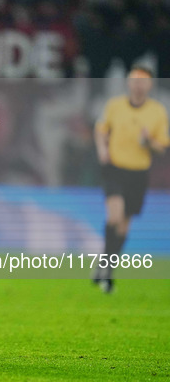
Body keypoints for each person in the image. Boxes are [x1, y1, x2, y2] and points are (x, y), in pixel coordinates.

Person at [94, 66, 169, 293]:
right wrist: (102, 149)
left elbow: (162, 148)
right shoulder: (115, 106)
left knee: (124, 226)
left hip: (138, 173)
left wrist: (148, 142)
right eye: (134, 80)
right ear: (128, 83)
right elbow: (101, 130)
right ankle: (105, 269)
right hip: (115, 169)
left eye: (143, 81)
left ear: (150, 85)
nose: (138, 85)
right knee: (114, 217)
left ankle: (106, 268)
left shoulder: (157, 112)